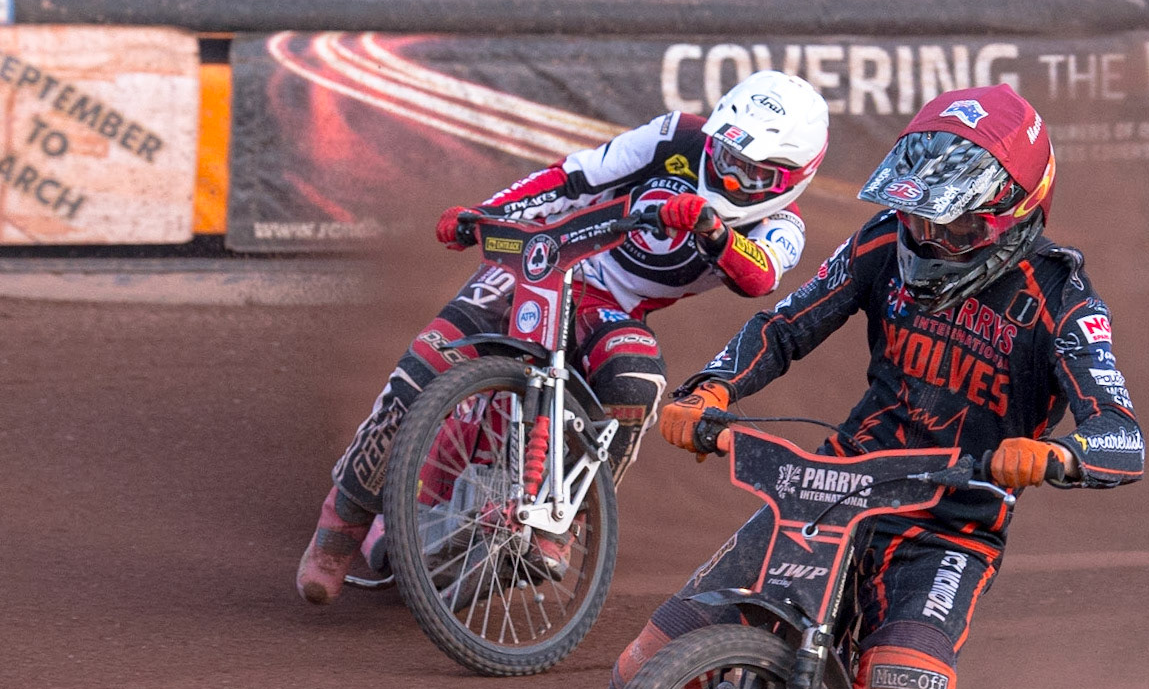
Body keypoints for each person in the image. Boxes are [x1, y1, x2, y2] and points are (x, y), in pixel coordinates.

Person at [561, 84, 1144, 689]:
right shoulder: (882, 241)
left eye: (952, 226)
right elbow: (788, 324)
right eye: (917, 215)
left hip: (949, 517)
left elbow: (1124, 436)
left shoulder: (1060, 299)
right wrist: (712, 388)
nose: (925, 238)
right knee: (648, 661)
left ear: (1015, 213)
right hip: (835, 484)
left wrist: (1055, 453)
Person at [296, 70, 830, 604]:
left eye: (754, 175)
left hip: (609, 308)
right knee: (424, 363)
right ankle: (339, 525)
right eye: (727, 160)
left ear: (794, 179)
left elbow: (759, 275)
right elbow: (572, 179)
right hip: (542, 262)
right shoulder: (675, 137)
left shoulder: (784, 227)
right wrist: (488, 214)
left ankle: (562, 523)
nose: (733, 179)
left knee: (639, 381)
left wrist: (713, 230)